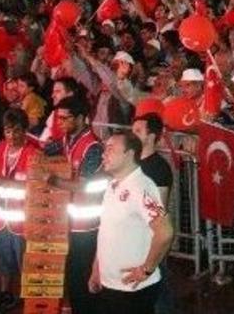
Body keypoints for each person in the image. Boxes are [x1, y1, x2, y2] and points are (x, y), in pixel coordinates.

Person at [89, 131, 174, 314]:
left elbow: (165, 232)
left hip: (133, 289)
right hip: (111, 284)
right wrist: (97, 268)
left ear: (129, 154)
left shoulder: (142, 187)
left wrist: (146, 269)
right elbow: (106, 231)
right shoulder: (112, 185)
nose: (104, 154)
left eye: (110, 149)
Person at [44, 95, 105, 314]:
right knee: (74, 278)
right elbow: (44, 150)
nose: (59, 123)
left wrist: (54, 181)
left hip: (88, 226)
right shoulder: (68, 140)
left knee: (84, 279)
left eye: (64, 118)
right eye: (57, 118)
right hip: (71, 223)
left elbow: (84, 186)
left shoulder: (93, 147)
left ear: (80, 118)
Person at [0, 108, 42, 313]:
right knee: (2, 261)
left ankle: (29, 300)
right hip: (1, 218)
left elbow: (35, 187)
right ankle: (5, 294)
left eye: (17, 131)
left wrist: (3, 181)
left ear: (25, 131)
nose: (12, 136)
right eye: (8, 131)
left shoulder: (33, 153)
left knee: (25, 262)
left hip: (23, 219)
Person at [131, 113, 175, 314]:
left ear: (151, 137)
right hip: (135, 236)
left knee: (158, 286)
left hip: (150, 239)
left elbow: (160, 208)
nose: (133, 135)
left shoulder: (159, 168)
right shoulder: (132, 163)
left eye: (138, 131)